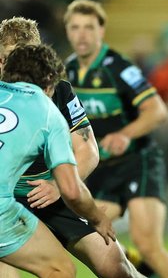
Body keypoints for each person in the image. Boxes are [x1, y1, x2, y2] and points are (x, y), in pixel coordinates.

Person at [0, 17, 143, 278]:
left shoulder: (59, 94)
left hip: (51, 194)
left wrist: (56, 186)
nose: (18, 67)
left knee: (114, 265)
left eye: (26, 57)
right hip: (7, 201)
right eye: (10, 58)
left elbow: (88, 149)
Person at [63, 0, 168, 278]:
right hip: (101, 168)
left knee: (149, 245)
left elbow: (157, 110)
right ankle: (135, 265)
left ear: (101, 31)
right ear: (67, 31)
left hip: (136, 161)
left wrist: (124, 134)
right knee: (97, 233)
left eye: (88, 27)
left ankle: (143, 262)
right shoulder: (65, 72)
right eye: (75, 27)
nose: (81, 34)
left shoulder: (119, 68)